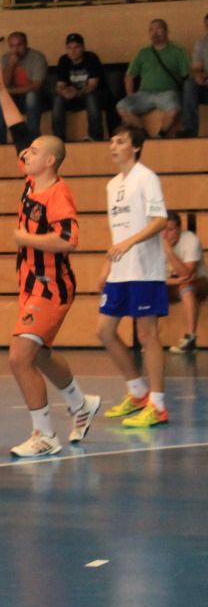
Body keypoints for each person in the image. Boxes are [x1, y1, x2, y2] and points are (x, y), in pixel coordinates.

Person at [0, 56, 100, 458]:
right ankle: (80, 404)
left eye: (34, 152)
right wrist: (2, 90)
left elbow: (69, 240)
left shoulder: (57, 193)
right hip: (30, 283)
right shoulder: (31, 179)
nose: (26, 154)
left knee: (19, 358)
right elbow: (18, 129)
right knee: (41, 355)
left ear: (49, 161)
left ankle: (45, 435)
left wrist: (27, 238)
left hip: (51, 286)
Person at [97, 126, 170, 428]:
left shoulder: (146, 177)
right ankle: (138, 392)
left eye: (121, 141)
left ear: (136, 147)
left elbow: (160, 220)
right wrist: (108, 266)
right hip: (120, 271)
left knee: (146, 335)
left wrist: (129, 243)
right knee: (104, 331)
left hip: (145, 269)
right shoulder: (112, 185)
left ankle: (158, 405)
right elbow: (119, 231)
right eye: (112, 141)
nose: (113, 146)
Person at [118, 19, 190, 139]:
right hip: (144, 93)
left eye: (158, 29)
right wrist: (131, 97)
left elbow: (187, 75)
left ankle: (160, 135)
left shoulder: (178, 51)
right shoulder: (143, 53)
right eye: (151, 29)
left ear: (166, 31)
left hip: (167, 93)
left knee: (173, 110)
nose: (155, 32)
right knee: (122, 106)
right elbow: (129, 77)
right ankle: (144, 134)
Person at [0, 31, 47, 145]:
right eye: (12, 46)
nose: (16, 50)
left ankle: (33, 139)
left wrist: (9, 91)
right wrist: (10, 65)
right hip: (14, 99)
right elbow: (3, 84)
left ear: (26, 44)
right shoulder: (5, 59)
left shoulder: (37, 58)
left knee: (31, 97)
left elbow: (36, 86)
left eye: (19, 45)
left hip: (36, 98)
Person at [163, 211, 207, 353]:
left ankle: (190, 339)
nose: (165, 235)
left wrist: (169, 251)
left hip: (198, 282)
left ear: (179, 229)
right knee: (147, 288)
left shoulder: (190, 240)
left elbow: (187, 274)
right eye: (162, 230)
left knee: (186, 286)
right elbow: (152, 278)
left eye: (170, 230)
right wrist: (172, 281)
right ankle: (151, 339)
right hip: (169, 283)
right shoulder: (154, 242)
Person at [53, 32, 106, 142]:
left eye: (76, 47)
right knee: (58, 99)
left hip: (88, 94)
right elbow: (60, 86)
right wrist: (64, 92)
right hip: (70, 96)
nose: (73, 51)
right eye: (69, 48)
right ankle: (58, 138)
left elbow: (92, 85)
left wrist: (77, 92)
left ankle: (95, 137)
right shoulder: (63, 60)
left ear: (83, 48)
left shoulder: (91, 58)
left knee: (91, 97)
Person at [180, 11, 208, 138]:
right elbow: (197, 67)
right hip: (205, 85)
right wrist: (198, 75)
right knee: (189, 84)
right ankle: (190, 129)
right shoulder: (202, 43)